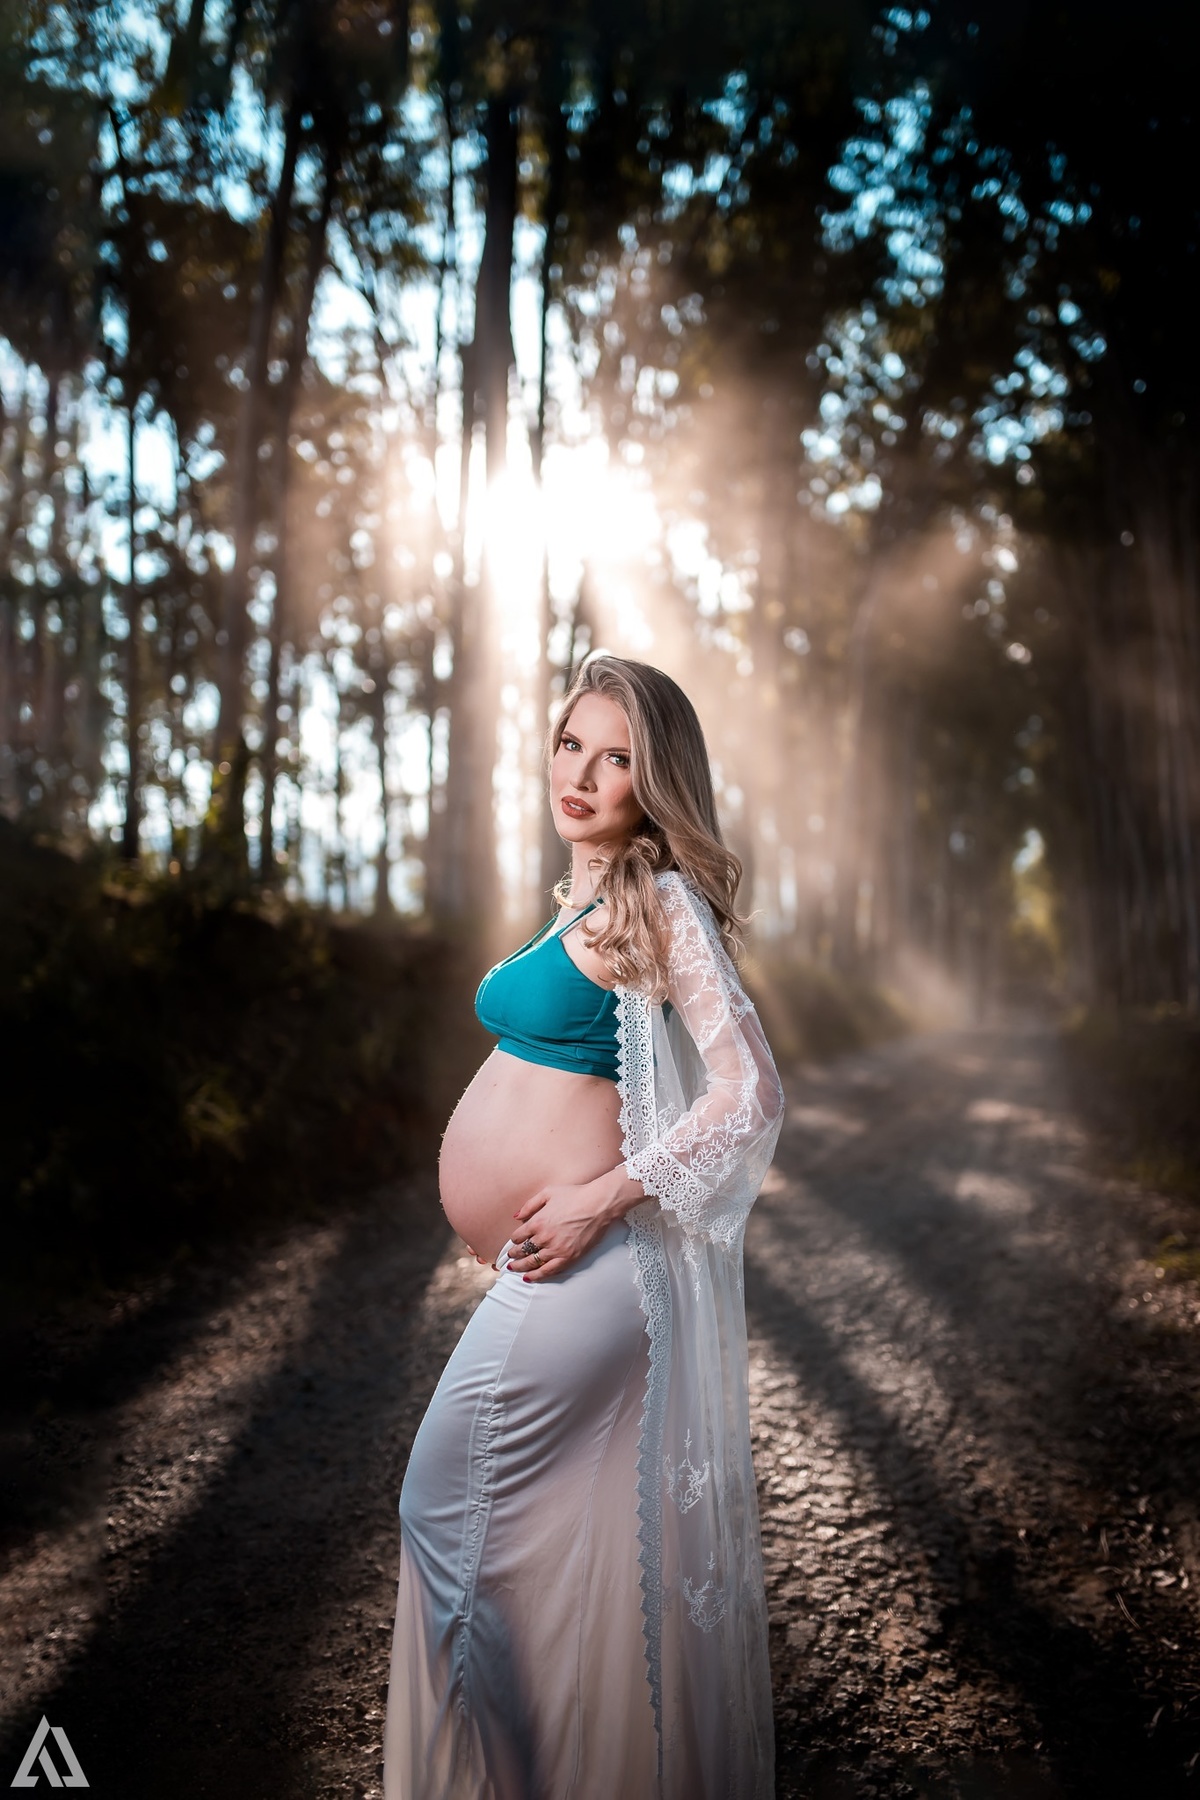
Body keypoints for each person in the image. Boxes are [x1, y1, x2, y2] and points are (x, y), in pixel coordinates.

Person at [382, 654, 785, 1800]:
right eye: (574, 744)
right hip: (562, 1276)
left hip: (594, 1274)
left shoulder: (657, 899)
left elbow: (748, 1090)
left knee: (441, 1511)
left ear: (654, 783)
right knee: (526, 1555)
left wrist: (599, 1193)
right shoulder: (592, 901)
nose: (586, 774)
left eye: (619, 759)